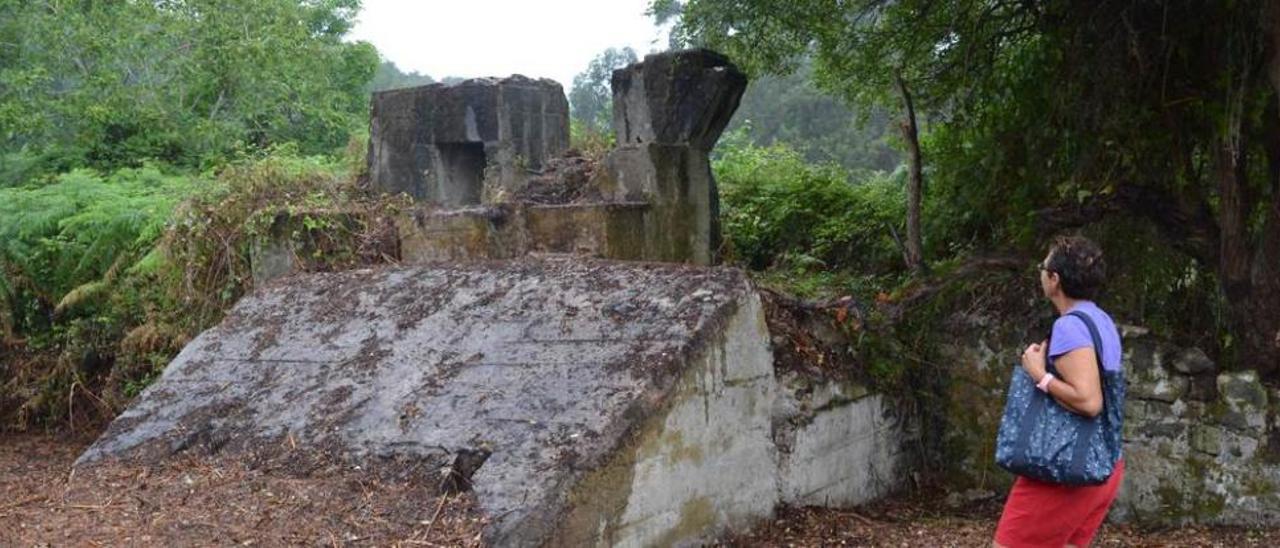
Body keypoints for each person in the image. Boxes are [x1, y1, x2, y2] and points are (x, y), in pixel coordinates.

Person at [993, 235, 1125, 548]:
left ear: (1055, 279)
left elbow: (1089, 401)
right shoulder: (1100, 320)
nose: (1041, 273)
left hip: (1064, 470)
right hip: (1102, 462)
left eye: (1044, 267)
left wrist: (1040, 375)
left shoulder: (1070, 327)